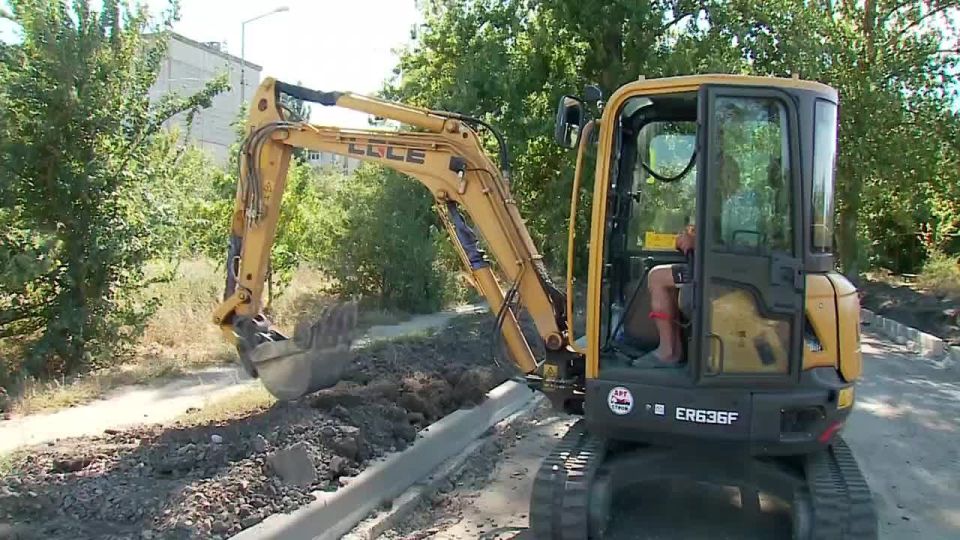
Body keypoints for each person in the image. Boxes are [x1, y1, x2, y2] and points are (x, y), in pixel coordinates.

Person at [633, 149, 746, 368]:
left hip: (724, 274)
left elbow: (734, 248)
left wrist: (696, 243)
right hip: (719, 268)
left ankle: (669, 351)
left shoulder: (737, 206)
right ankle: (674, 346)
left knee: (657, 277)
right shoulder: (730, 204)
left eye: (720, 173)